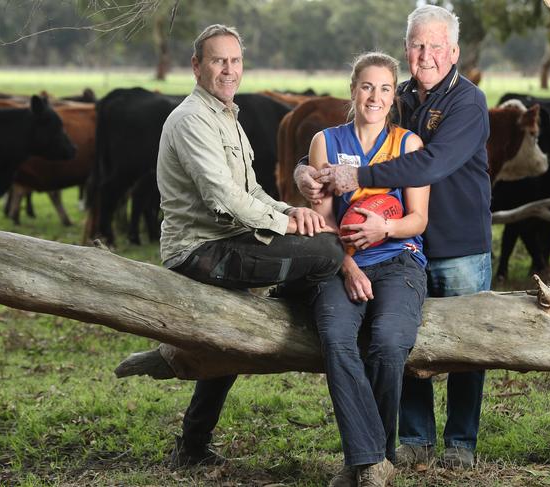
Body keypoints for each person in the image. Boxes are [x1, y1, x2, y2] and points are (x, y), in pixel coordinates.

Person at [295, 4, 491, 471]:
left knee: (470, 347)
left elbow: (429, 165)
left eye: (436, 46)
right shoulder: (398, 95)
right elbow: (361, 131)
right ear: (407, 48)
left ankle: (460, 440)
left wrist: (355, 175)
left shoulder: (468, 101)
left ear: (454, 51)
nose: (427, 55)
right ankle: (417, 436)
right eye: (418, 45)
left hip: (458, 242)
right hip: (406, 248)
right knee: (404, 342)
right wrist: (308, 171)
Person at [156, 24, 344, 469]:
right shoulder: (191, 120)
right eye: (218, 60)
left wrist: (291, 211)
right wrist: (286, 224)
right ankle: (284, 312)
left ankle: (193, 446)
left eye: (235, 60)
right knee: (329, 254)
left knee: (231, 342)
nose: (229, 69)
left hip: (228, 239)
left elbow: (250, 190)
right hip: (198, 250)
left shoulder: (226, 116)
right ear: (196, 66)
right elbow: (222, 198)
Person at [310, 52, 428, 487]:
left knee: (389, 343)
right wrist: (345, 266)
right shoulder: (326, 141)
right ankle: (373, 461)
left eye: (384, 89)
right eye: (366, 87)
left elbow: (419, 219)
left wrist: (385, 227)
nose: (374, 97)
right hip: (341, 265)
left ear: (393, 96)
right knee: (337, 340)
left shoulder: (408, 145)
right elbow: (322, 221)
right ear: (353, 90)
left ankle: (363, 459)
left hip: (399, 261)